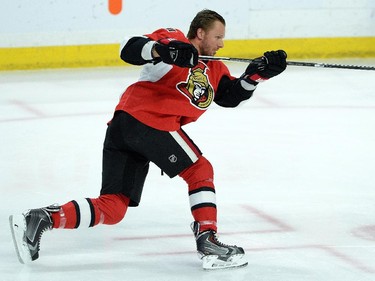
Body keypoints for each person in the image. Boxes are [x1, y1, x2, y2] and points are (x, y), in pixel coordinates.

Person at [9, 9, 287, 270]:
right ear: (200, 33)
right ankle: (208, 240)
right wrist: (161, 50)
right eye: (218, 37)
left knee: (114, 207)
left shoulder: (214, 69)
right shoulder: (175, 39)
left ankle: (41, 218)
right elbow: (128, 48)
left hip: (128, 127)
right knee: (200, 170)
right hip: (146, 121)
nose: (222, 44)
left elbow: (229, 96)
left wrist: (256, 75)